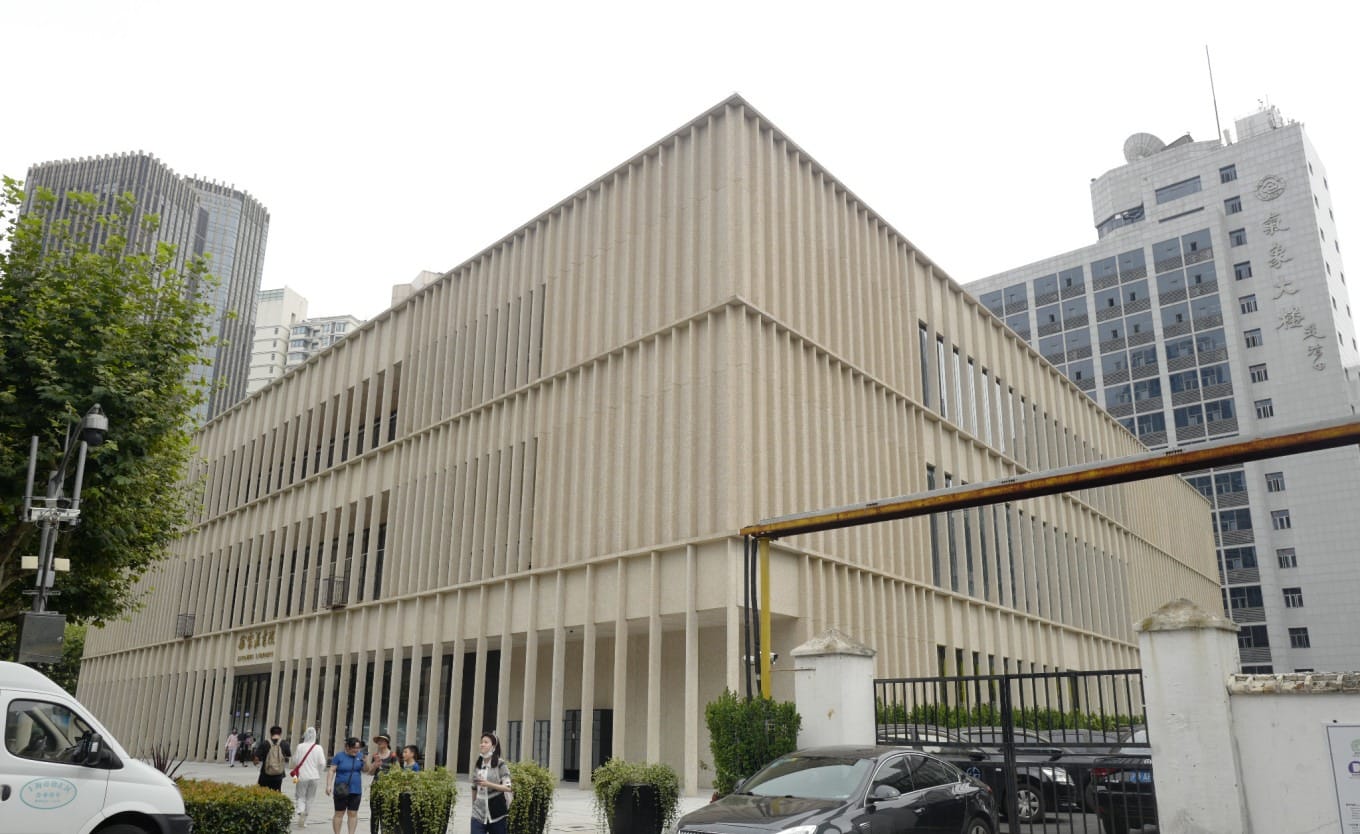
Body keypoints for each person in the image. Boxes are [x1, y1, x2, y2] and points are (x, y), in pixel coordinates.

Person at [471, 732, 512, 834]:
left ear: (493, 746)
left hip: (497, 814)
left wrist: (488, 784)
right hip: (478, 814)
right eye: (481, 742)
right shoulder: (478, 764)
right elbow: (474, 787)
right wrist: (474, 805)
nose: (482, 744)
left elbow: (508, 788)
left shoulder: (500, 764)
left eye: (486, 742)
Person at [290, 726, 327, 829]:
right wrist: (319, 773)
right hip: (314, 776)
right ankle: (304, 819)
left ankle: (301, 811)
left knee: (300, 796)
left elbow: (295, 761)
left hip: (301, 776)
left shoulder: (300, 746)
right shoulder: (318, 748)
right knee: (310, 798)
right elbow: (322, 763)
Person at [326, 736, 364, 834]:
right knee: (339, 813)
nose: (356, 750)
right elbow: (331, 770)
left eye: (358, 748)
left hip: (356, 790)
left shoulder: (360, 756)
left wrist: (366, 760)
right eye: (354, 748)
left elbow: (366, 770)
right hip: (341, 788)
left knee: (353, 813)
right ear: (347, 747)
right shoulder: (339, 756)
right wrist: (328, 785)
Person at [365, 734, 399, 833]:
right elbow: (370, 773)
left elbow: (398, 771)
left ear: (387, 742)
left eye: (382, 740)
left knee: (386, 812)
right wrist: (375, 765)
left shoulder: (393, 755)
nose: (379, 742)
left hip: (388, 788)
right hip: (376, 786)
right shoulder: (375, 756)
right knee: (374, 812)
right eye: (378, 741)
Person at [254, 725, 293, 791]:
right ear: (280, 733)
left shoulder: (265, 743)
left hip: (265, 773)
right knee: (276, 792)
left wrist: (256, 763)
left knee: (262, 792)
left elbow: (256, 758)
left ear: (270, 733)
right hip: (279, 774)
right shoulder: (285, 743)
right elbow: (288, 755)